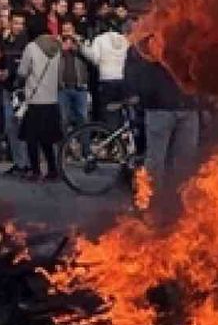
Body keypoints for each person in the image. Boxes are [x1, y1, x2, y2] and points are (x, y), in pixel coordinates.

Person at [128, 44, 200, 208]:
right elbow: (135, 70)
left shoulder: (191, 38)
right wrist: (144, 97)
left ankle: (179, 202)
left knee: (185, 159)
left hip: (187, 108)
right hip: (159, 109)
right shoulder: (148, 42)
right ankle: (151, 201)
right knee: (156, 160)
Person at [16, 22, 63, 181]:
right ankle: (52, 169)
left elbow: (22, 71)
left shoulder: (31, 47)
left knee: (32, 138)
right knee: (47, 139)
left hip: (35, 99)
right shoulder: (56, 48)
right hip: (52, 99)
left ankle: (35, 171)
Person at [0, 11, 30, 174]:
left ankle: (27, 163)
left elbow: (22, 64)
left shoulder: (25, 42)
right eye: (16, 23)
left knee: (21, 125)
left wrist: (9, 72)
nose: (19, 26)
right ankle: (18, 162)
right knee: (10, 126)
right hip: (7, 89)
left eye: (21, 24)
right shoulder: (5, 40)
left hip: (21, 90)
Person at [84, 21, 131, 126]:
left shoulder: (99, 39)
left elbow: (95, 59)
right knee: (123, 109)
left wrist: (83, 48)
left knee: (109, 110)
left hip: (107, 79)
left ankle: (111, 133)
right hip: (123, 78)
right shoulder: (124, 39)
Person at [57, 20, 91, 131]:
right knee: (63, 120)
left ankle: (84, 142)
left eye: (69, 30)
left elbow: (90, 57)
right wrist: (60, 49)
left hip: (80, 88)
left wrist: (78, 45)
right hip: (63, 88)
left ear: (74, 30)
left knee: (83, 118)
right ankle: (65, 142)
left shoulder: (83, 42)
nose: (67, 33)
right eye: (64, 31)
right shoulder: (57, 44)